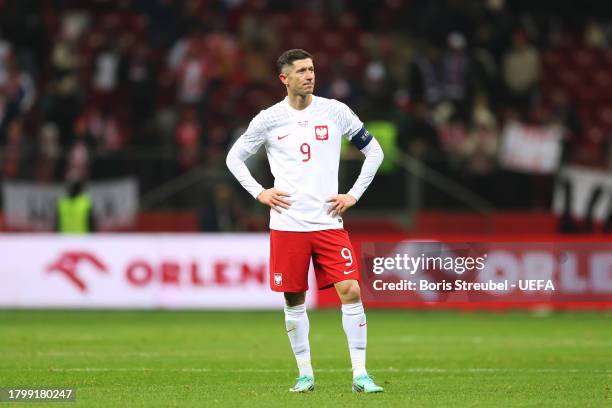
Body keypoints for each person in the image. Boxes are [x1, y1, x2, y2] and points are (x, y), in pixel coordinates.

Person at [226, 49, 384, 393]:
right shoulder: (268, 119)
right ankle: (305, 374)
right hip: (287, 225)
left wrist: (353, 194)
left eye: (312, 69)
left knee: (351, 290)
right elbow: (234, 158)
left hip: (328, 222)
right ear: (284, 79)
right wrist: (259, 192)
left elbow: (375, 151)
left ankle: (360, 374)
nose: (309, 75)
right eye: (301, 71)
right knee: (293, 299)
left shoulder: (335, 111)